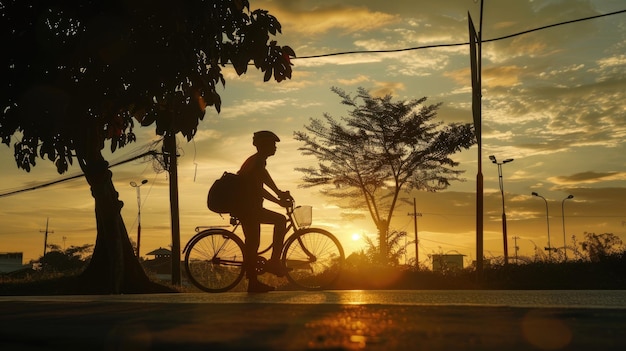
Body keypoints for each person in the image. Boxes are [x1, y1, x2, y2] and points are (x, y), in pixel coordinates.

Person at [235, 130, 292, 293]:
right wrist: (278, 200)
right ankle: (269, 266)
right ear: (264, 145)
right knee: (256, 240)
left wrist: (279, 193)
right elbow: (258, 190)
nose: (275, 147)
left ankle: (259, 276)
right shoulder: (257, 161)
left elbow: (265, 180)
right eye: (272, 144)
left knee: (253, 242)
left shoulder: (259, 161)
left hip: (250, 207)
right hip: (248, 208)